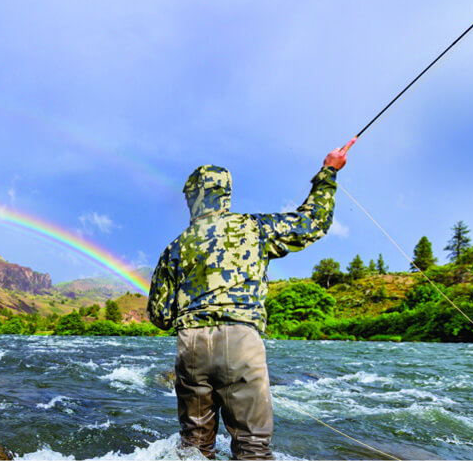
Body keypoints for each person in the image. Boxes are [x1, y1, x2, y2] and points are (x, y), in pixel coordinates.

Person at [147, 145, 348, 460]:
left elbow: (158, 316)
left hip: (191, 346)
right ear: (225, 194)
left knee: (194, 450)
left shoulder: (173, 248)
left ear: (191, 198)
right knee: (253, 448)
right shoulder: (254, 227)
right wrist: (329, 171)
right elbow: (314, 222)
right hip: (242, 340)